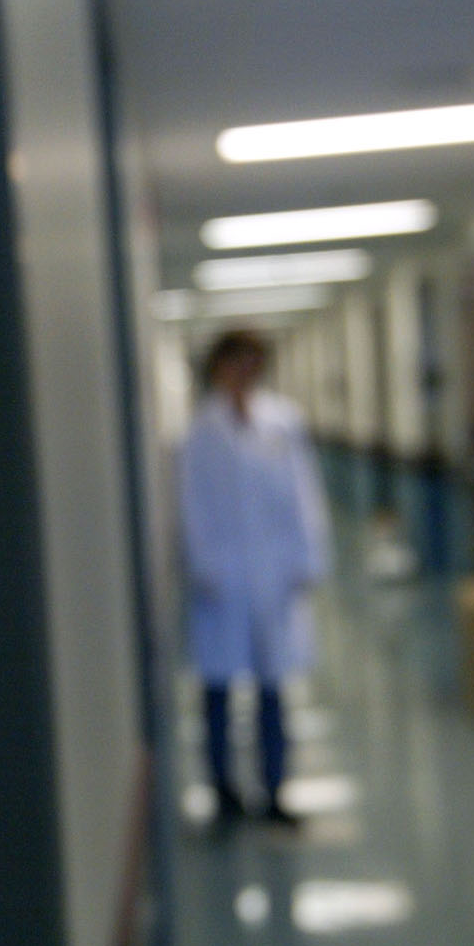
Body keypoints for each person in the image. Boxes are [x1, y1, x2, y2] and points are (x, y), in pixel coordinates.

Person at [180, 330, 330, 827]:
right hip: (221, 576)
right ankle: (222, 791)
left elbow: (303, 492)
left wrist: (308, 558)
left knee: (273, 688)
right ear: (218, 366)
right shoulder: (201, 430)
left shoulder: (282, 422)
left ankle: (274, 790)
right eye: (235, 362)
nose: (244, 372)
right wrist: (204, 564)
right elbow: (192, 504)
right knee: (219, 689)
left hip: (275, 571)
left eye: (253, 363)